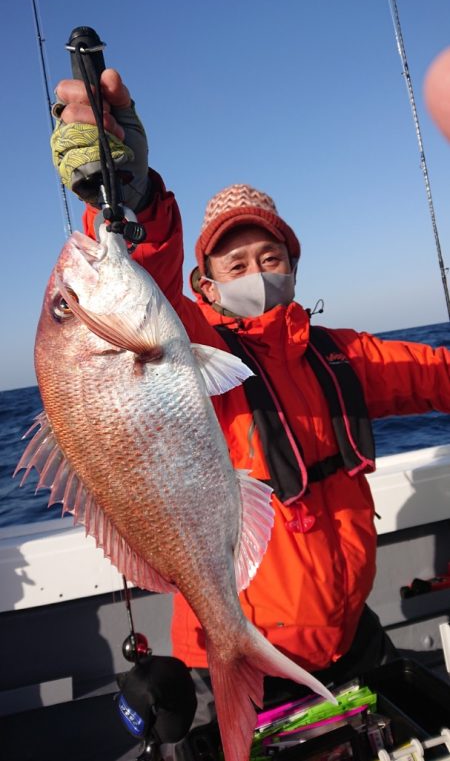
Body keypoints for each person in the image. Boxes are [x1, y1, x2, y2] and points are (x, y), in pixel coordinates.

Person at [51, 55, 450, 741]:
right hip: (241, 653)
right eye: (235, 264)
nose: (258, 273)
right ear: (203, 285)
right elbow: (138, 286)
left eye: (271, 258)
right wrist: (129, 200)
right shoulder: (193, 346)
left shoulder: (341, 354)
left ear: (293, 267)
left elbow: (434, 373)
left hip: (349, 637)